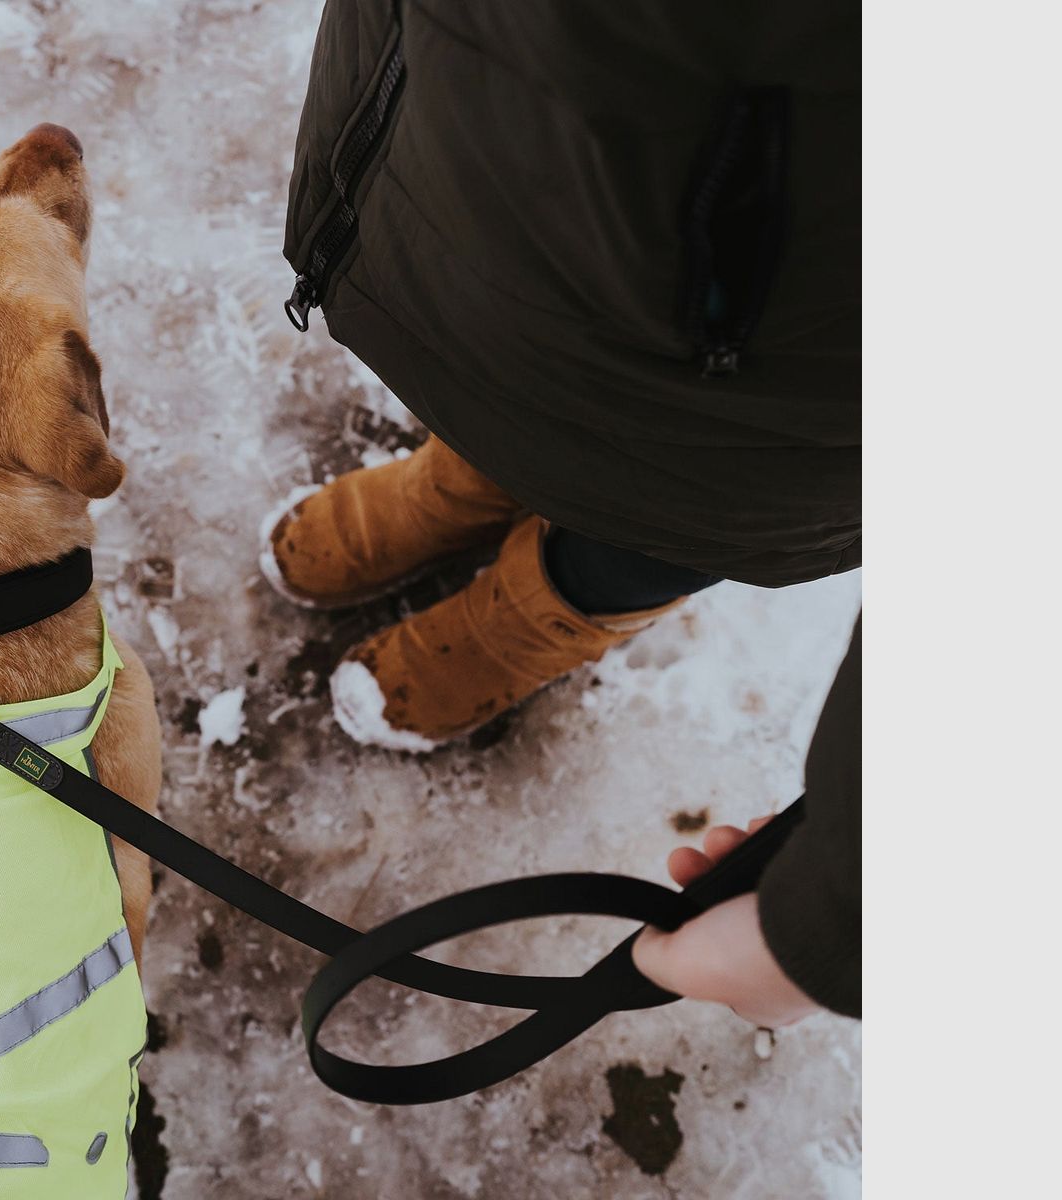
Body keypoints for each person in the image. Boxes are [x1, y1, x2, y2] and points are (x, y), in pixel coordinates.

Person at [267, 0, 859, 1024]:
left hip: (803, 311)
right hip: (480, 127)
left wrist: (842, 915)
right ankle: (466, 482)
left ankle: (538, 613)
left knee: (683, 495)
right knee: (499, 355)